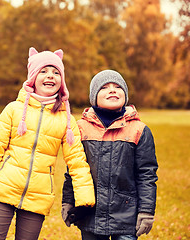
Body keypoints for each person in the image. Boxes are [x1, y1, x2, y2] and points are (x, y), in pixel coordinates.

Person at [0, 47, 95, 240]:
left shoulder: (66, 120)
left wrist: (84, 200)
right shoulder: (14, 110)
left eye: (56, 72)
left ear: (61, 81)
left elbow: (77, 162)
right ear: (33, 77)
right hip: (3, 189)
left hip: (38, 196)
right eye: (44, 71)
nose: (50, 76)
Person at [61, 69, 158, 240]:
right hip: (91, 213)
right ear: (94, 97)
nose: (112, 90)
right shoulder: (81, 128)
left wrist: (146, 211)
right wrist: (68, 201)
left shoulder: (139, 130)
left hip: (127, 216)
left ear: (125, 95)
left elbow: (146, 175)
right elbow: (74, 169)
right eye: (105, 87)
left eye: (117, 87)